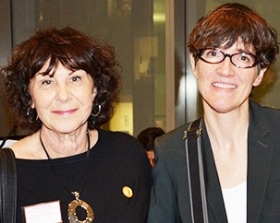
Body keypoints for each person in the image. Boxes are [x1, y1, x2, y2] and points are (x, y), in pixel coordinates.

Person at [1, 27, 152, 223]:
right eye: (47, 82)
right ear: (29, 96)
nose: (63, 96)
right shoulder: (7, 172)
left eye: (75, 78)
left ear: (95, 89)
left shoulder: (128, 155)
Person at [148, 3, 280, 223]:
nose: (225, 70)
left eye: (242, 58)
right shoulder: (172, 151)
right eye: (213, 53)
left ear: (259, 74)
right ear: (194, 63)